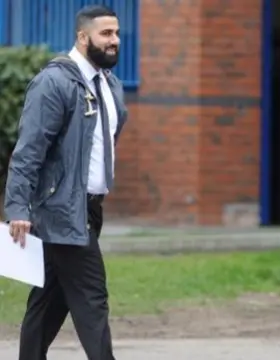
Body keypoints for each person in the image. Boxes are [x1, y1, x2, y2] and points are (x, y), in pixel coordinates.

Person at [4, 5, 128, 360]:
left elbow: (100, 141)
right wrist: (17, 207)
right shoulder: (54, 82)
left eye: (117, 33)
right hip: (63, 211)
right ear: (82, 36)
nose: (114, 41)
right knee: (93, 297)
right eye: (106, 34)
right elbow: (28, 151)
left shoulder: (109, 84)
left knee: (49, 302)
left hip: (90, 208)